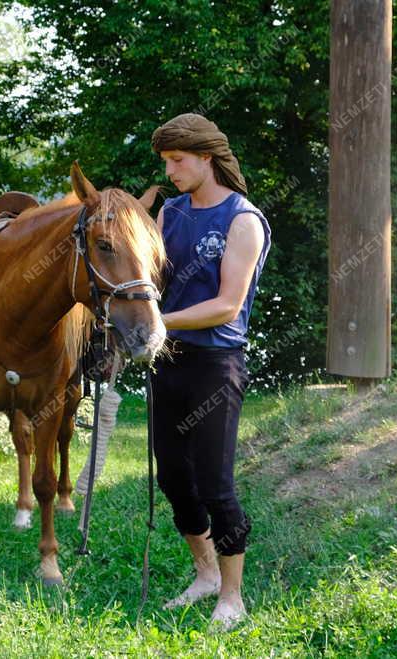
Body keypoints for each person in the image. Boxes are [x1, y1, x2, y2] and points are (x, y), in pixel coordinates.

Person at [149, 113, 272, 630]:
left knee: (216, 483)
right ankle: (205, 575)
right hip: (167, 362)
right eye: (166, 162)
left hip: (216, 365)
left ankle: (233, 596)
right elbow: (145, 279)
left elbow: (226, 305)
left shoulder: (243, 219)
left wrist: (158, 321)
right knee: (175, 478)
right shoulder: (169, 214)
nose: (172, 170)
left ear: (207, 157)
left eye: (178, 160)